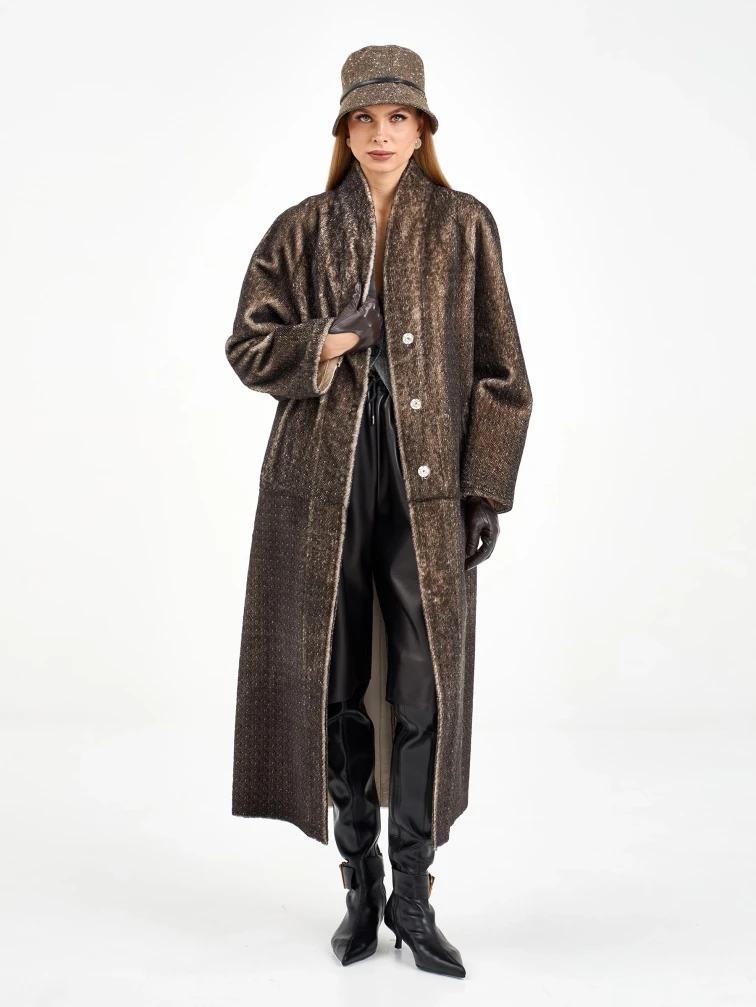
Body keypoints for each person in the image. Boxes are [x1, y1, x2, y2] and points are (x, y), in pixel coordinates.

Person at [225, 44, 533, 979]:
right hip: (321, 487)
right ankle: (359, 890)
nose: (381, 135)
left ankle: (414, 895)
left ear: (423, 126)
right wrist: (331, 337)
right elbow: (247, 344)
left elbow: (502, 371)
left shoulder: (464, 225)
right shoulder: (304, 229)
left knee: (423, 682)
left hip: (426, 493)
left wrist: (484, 488)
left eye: (398, 118)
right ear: (345, 129)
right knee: (334, 679)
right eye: (364, 118)